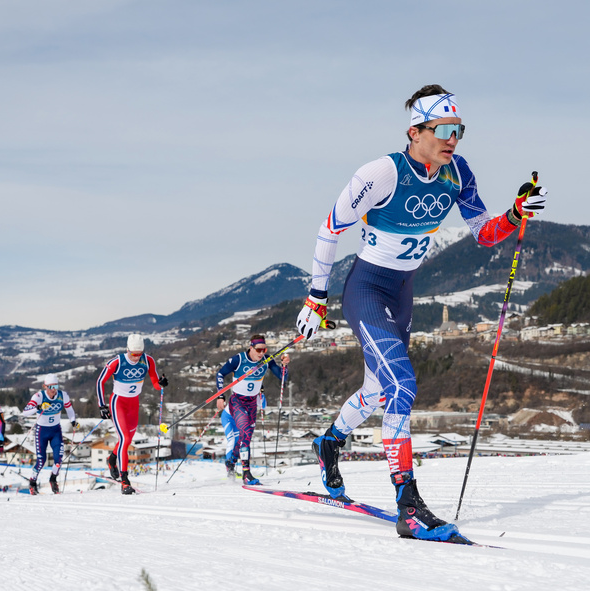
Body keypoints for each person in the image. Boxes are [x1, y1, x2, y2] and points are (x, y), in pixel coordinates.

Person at [295, 84, 548, 541]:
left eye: (460, 130)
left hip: (403, 292)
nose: (453, 139)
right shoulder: (382, 173)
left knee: (378, 389)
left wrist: (515, 213)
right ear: (415, 131)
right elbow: (329, 228)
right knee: (403, 384)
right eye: (444, 129)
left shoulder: (458, 173)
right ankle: (407, 505)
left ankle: (329, 441)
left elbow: (484, 234)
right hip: (367, 289)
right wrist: (316, 298)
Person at [96, 334, 167, 494]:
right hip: (118, 403)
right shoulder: (117, 361)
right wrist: (102, 405)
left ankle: (112, 459)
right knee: (125, 439)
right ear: (127, 350)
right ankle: (124, 481)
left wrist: (160, 384)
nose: (136, 358)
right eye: (133, 354)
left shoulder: (148, 361)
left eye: (139, 354)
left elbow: (155, 382)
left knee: (127, 440)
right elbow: (100, 381)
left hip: (134, 403)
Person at [215, 335, 287, 485]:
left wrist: (285, 366)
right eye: (258, 350)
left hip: (252, 403)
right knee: (246, 433)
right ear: (251, 348)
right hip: (238, 402)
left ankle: (231, 462)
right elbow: (220, 374)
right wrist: (220, 396)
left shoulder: (267, 360)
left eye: (264, 350)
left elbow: (283, 378)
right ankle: (246, 473)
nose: (261, 353)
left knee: (244, 438)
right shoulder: (239, 359)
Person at [22, 373, 79, 494]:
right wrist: (39, 407)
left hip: (55, 431)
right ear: (44, 386)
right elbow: (25, 412)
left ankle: (53, 479)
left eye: (55, 386)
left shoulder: (63, 395)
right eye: (50, 387)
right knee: (41, 461)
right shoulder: (39, 396)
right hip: (42, 431)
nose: (53, 390)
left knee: (58, 460)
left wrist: (73, 421)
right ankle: (32, 482)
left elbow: (69, 410)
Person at [221, 390, 266, 479]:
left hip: (240, 420)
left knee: (241, 441)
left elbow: (263, 405)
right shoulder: (243, 392)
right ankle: (230, 468)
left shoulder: (254, 394)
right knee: (232, 440)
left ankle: (236, 466)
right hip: (228, 417)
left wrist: (262, 393)